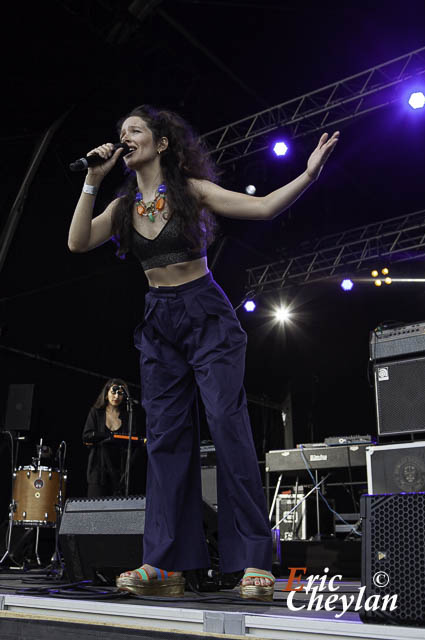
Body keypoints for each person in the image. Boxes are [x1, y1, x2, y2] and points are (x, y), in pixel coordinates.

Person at [68, 104, 339, 600]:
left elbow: (262, 208)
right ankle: (166, 565)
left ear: (162, 143)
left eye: (135, 130)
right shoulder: (125, 206)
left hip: (205, 313)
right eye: (120, 131)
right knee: (166, 439)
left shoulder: (190, 190)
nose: (124, 136)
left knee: (227, 426)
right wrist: (92, 179)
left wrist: (307, 173)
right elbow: (78, 240)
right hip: (159, 322)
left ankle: (254, 563)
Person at [82, 379, 144, 498]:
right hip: (98, 469)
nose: (116, 396)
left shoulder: (128, 415)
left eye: (120, 393)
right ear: (106, 394)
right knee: (96, 506)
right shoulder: (96, 412)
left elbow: (134, 439)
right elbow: (87, 436)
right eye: (113, 392)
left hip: (120, 472)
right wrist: (108, 437)